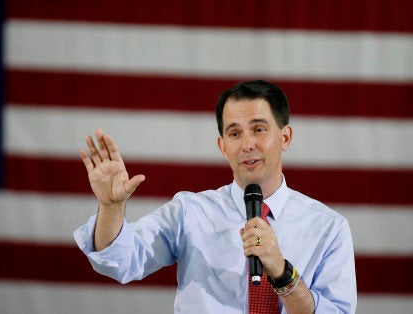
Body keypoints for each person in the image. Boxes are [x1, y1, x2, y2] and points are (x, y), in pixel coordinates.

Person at [74, 80, 357, 313]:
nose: (247, 144)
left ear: (285, 137)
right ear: (222, 146)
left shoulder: (329, 228)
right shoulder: (189, 212)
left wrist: (283, 273)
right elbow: (121, 261)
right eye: (234, 134)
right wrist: (111, 208)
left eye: (259, 129)